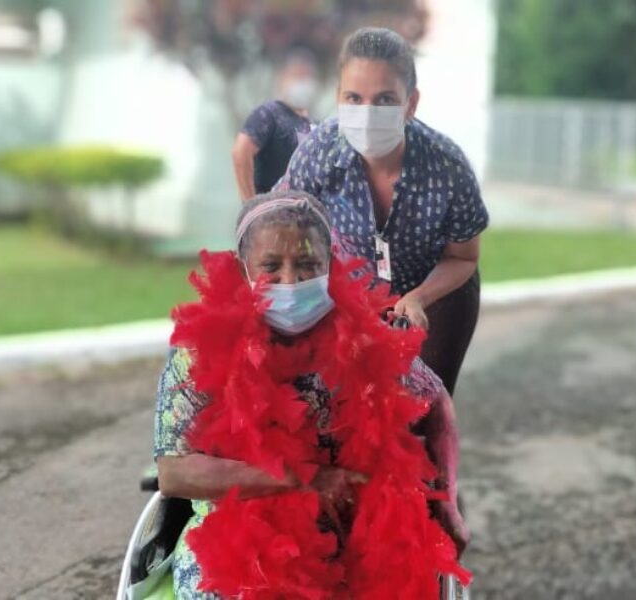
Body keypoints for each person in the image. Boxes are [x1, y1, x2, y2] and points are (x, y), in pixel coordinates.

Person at [154, 191, 469, 598]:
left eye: (307, 265)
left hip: (360, 529)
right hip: (243, 538)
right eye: (271, 266)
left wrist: (448, 505)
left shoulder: (362, 338)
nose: (291, 281)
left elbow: (437, 402)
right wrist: (304, 480)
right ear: (242, 268)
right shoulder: (199, 350)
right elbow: (174, 472)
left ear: (330, 264)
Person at [278, 27, 489, 396]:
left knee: (423, 409)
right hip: (353, 293)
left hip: (438, 296)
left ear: (411, 103)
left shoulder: (448, 167)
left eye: (385, 99)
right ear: (338, 98)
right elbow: (286, 230)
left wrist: (419, 297)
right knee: (348, 409)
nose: (367, 113)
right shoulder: (318, 154)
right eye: (354, 98)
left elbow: (464, 257)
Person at [231, 50, 318, 200]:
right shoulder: (269, 114)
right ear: (283, 78)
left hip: (301, 214)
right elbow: (240, 151)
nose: (303, 83)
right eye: (298, 76)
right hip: (271, 214)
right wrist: (250, 206)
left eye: (307, 78)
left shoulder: (312, 125)